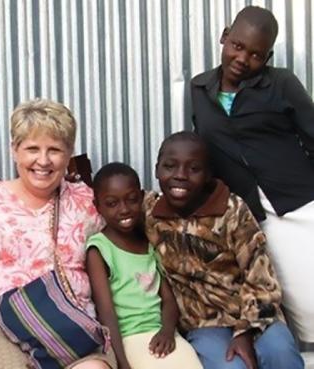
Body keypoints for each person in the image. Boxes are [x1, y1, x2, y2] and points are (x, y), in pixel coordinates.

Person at [0, 99, 115, 369]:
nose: (43, 160)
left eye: (54, 150)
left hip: (70, 333)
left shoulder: (88, 202)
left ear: (69, 153)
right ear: (14, 150)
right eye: (32, 149)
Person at [190, 5, 314, 344]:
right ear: (225, 36)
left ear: (268, 56)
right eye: (238, 46)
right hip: (253, 216)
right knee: (293, 301)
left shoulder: (282, 83)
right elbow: (205, 152)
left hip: (302, 203)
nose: (243, 58)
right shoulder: (199, 90)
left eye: (257, 54)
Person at [143, 131, 304, 369]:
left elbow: (260, 279)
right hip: (204, 323)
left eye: (194, 169)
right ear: (157, 170)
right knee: (230, 367)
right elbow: (110, 199)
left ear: (209, 175)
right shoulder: (150, 212)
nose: (180, 175)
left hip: (255, 315)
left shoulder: (232, 211)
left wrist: (245, 332)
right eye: (170, 166)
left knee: (280, 354)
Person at [86, 162, 202, 369]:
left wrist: (167, 331)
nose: (123, 210)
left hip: (163, 334)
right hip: (128, 339)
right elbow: (106, 313)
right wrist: (122, 363)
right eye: (112, 203)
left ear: (141, 197)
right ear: (98, 206)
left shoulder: (148, 243)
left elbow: (168, 299)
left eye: (131, 200)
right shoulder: (99, 249)